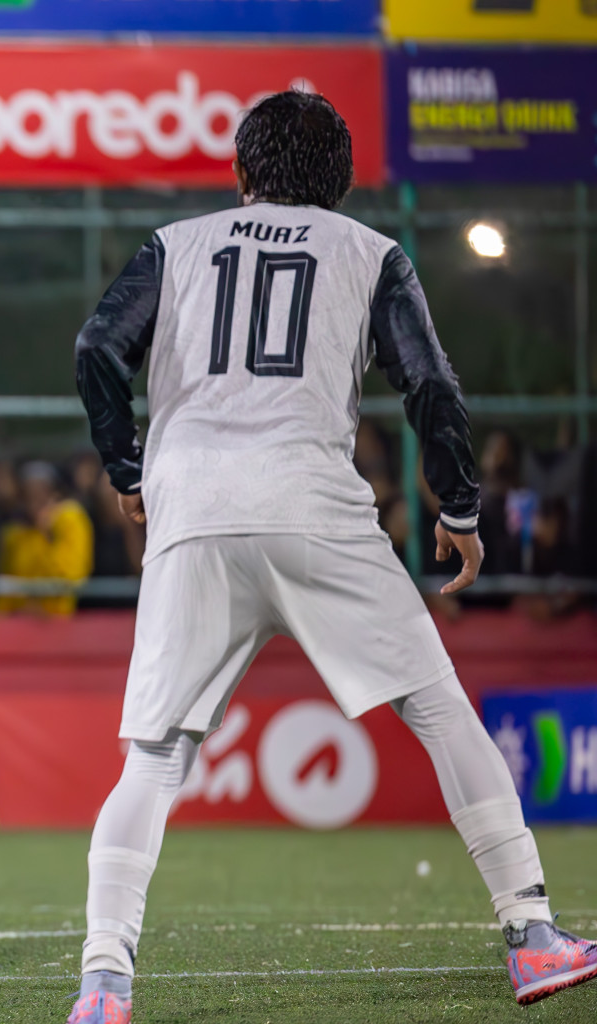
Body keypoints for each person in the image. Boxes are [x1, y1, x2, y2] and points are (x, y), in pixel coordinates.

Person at [67, 90, 596, 1023]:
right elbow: (428, 381)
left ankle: (105, 984)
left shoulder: (176, 243)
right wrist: (461, 508)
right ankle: (530, 936)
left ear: (240, 175)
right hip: (314, 504)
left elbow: (97, 347)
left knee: (152, 760)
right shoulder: (369, 252)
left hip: (192, 508)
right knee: (441, 714)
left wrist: (126, 468)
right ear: (342, 184)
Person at [0, 460, 92, 616]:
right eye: (28, 496)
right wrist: (0, 620)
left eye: (42, 494)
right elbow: (7, 584)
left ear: (55, 494)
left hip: (59, 621)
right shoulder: (14, 533)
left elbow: (73, 575)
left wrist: (46, 533)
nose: (35, 503)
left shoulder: (71, 519)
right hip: (20, 621)